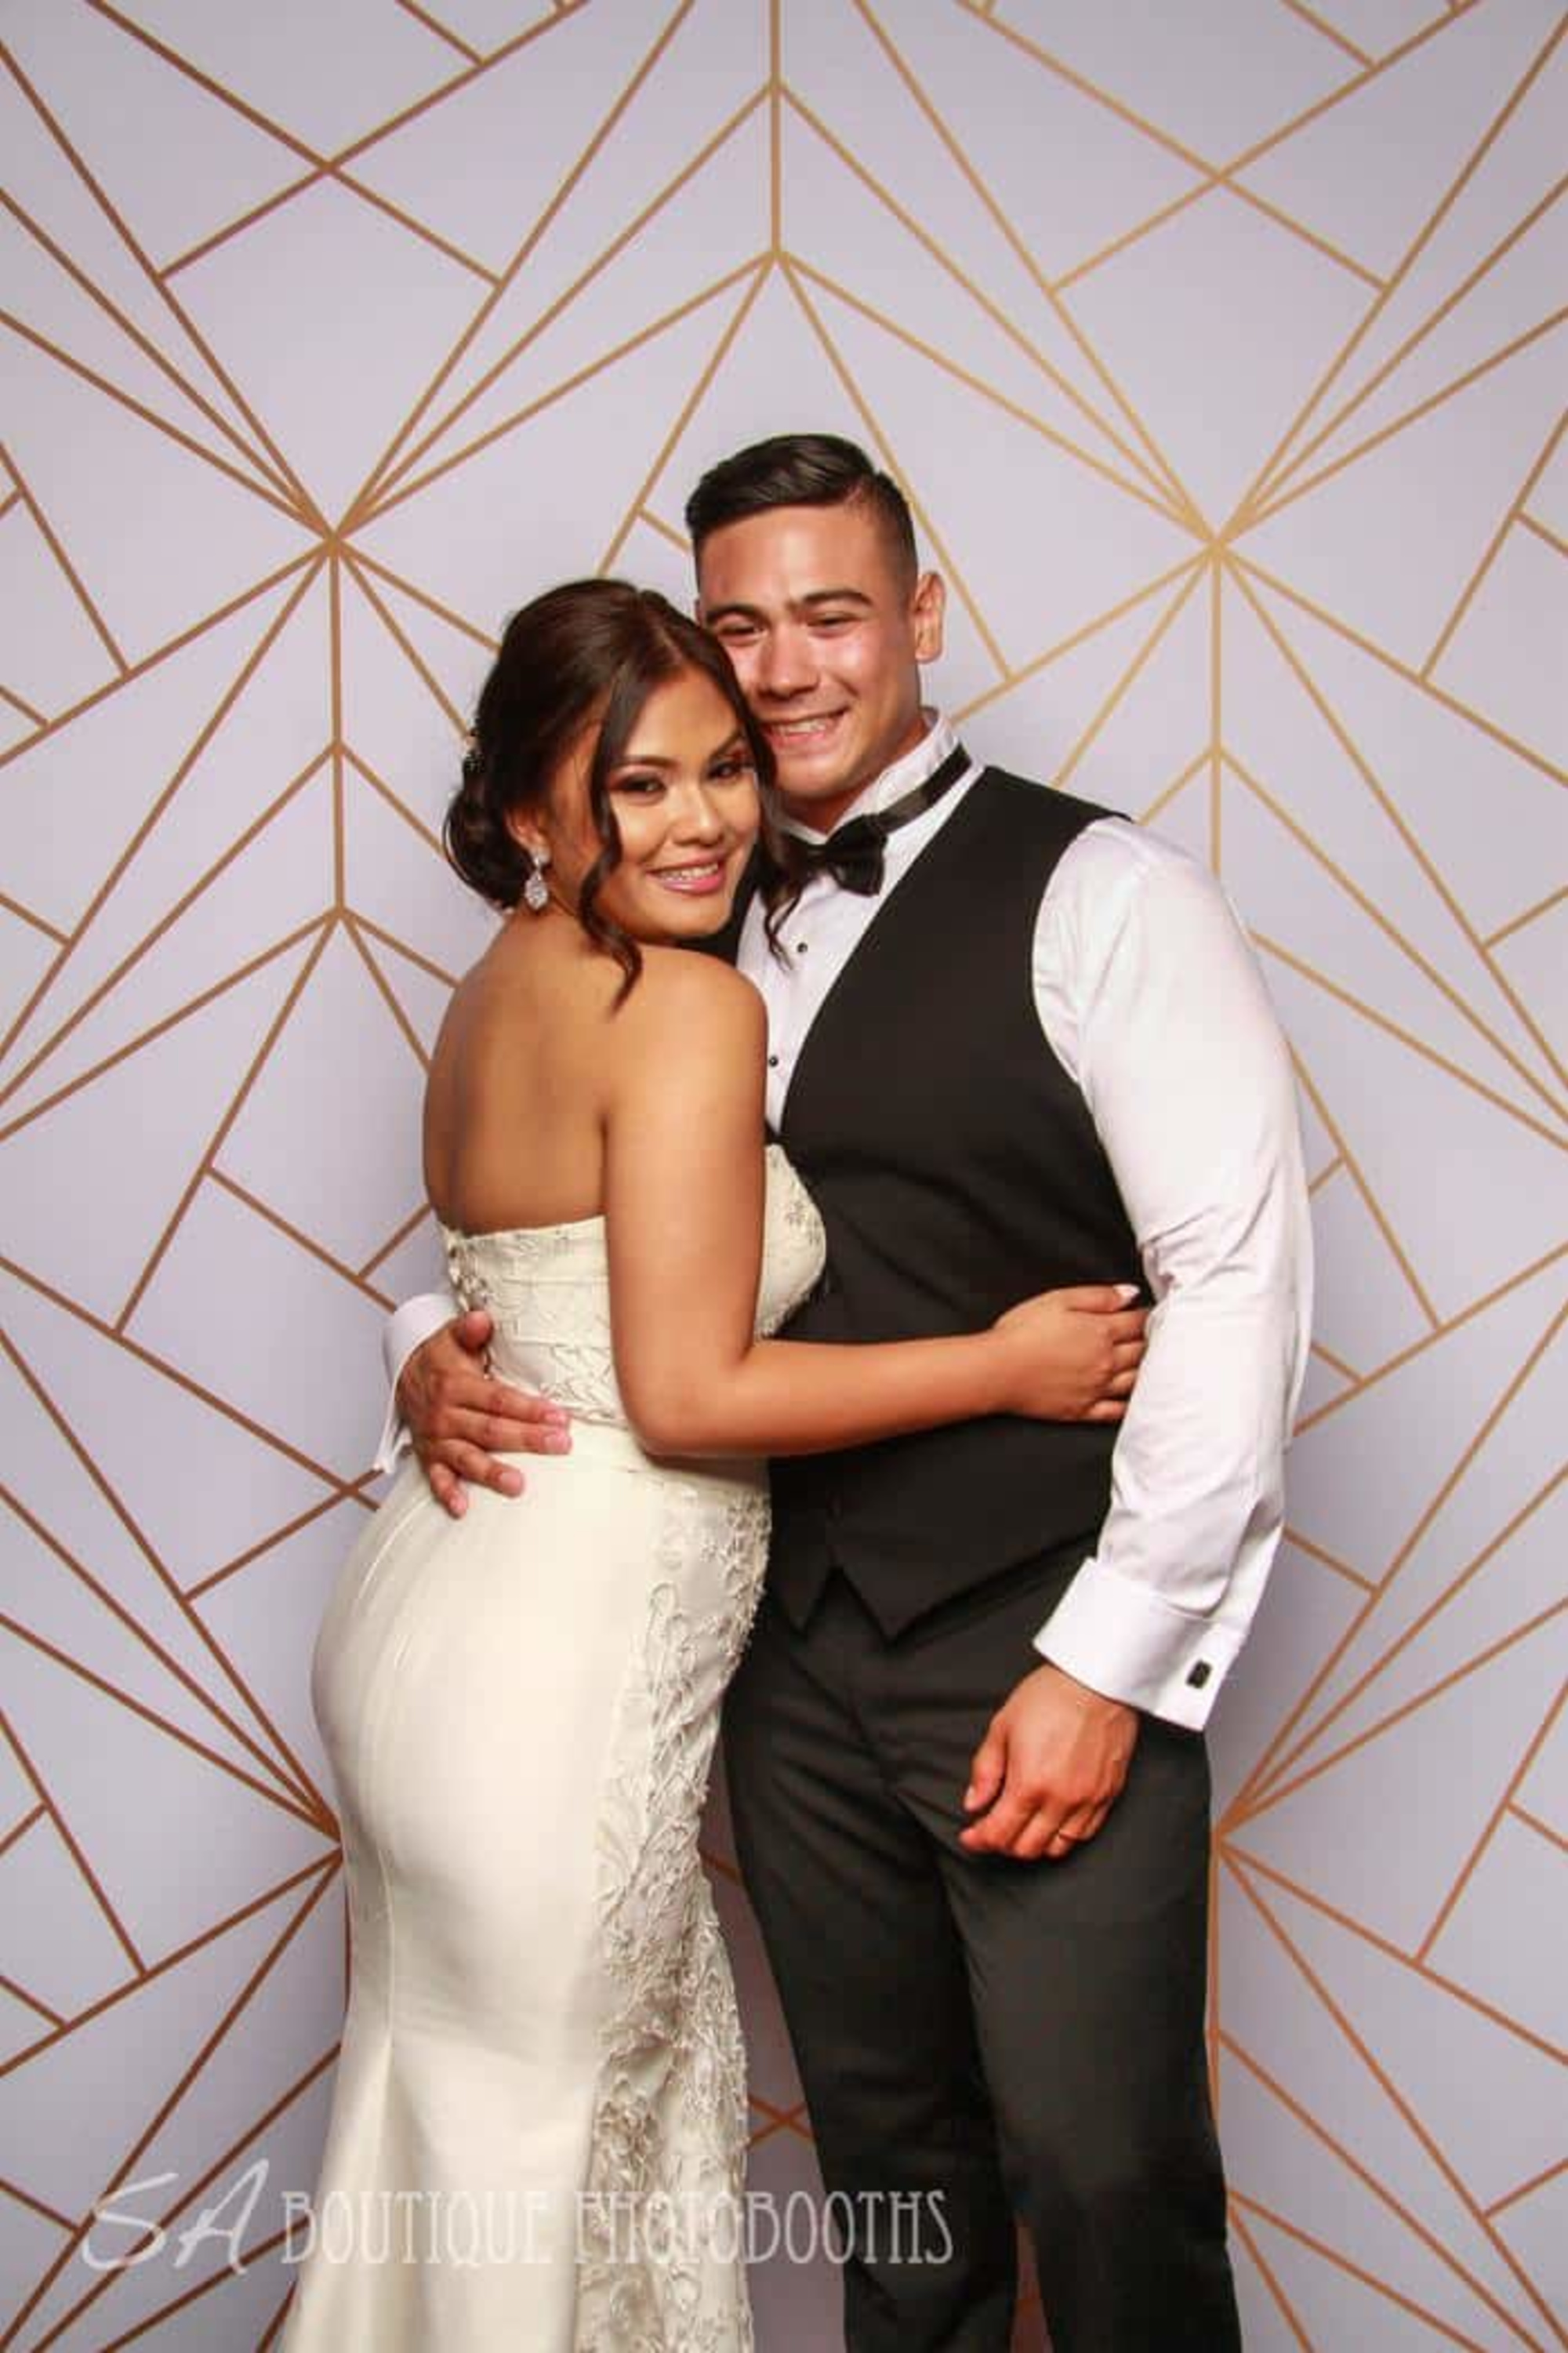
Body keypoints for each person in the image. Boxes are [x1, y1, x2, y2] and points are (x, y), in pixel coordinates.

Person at [390, 438, 1312, 2350]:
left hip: (1031, 1631)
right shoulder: (669, 898)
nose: (790, 666)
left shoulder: (1107, 893)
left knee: (1105, 2166)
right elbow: (564, 1210)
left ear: (919, 617)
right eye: (744, 626)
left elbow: (1233, 1284)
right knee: (895, 2181)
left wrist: (1112, 1659)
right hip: (779, 1654)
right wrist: (415, 1342)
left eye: (830, 612)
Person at [281, 577, 1148, 2351]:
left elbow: (517, 1294)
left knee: (451, 2143)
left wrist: (414, 1359)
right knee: (544, 2165)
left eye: (723, 771)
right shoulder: (682, 1011)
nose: (703, 824)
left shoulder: (493, 987)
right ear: (533, 813)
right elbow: (681, 1392)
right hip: (551, 1671)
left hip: (428, 1617)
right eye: (638, 786)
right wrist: (1001, 1359)